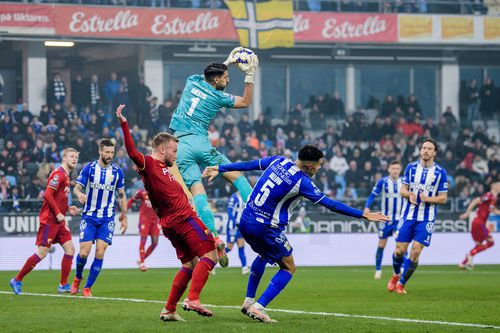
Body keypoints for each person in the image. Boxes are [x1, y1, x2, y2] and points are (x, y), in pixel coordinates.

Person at [203, 145, 388, 323]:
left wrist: (220, 168)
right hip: (266, 227)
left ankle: (249, 300)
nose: (319, 167)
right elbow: (330, 204)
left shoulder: (278, 161)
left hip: (245, 220)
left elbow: (249, 165)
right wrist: (364, 215)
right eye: (319, 164)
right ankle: (259, 306)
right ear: (309, 165)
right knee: (289, 266)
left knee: (264, 255)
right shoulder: (302, 181)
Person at [117, 104, 218, 321]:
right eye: (174, 150)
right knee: (211, 254)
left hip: (170, 223)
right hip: (183, 218)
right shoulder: (150, 165)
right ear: (162, 149)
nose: (176, 154)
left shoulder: (165, 168)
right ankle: (193, 298)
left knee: (189, 265)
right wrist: (124, 124)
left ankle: (169, 309)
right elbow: (132, 152)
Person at [168, 48, 257, 267]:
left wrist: (226, 62)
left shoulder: (191, 82)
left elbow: (205, 75)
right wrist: (250, 74)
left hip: (180, 145)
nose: (228, 80)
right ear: (216, 79)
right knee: (237, 177)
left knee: (198, 193)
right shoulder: (218, 97)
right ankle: (259, 211)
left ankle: (215, 238)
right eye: (226, 77)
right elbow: (246, 101)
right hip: (200, 142)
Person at [9, 148, 81, 294]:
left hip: (59, 221)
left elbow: (57, 198)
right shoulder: (58, 174)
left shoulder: (66, 177)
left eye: (76, 157)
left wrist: (67, 208)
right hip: (49, 220)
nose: (75, 159)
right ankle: (17, 280)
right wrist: (58, 213)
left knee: (70, 249)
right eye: (72, 157)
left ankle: (63, 285)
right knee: (42, 253)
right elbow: (48, 194)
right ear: (64, 159)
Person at [387, 139, 448, 295]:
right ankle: (395, 275)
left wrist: (426, 198)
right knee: (399, 251)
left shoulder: (440, 172)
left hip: (426, 218)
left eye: (430, 148)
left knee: (415, 252)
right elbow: (403, 190)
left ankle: (401, 283)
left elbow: (443, 198)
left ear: (434, 153)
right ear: (420, 151)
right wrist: (410, 195)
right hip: (408, 216)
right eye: (424, 148)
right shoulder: (411, 168)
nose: (426, 151)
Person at [70, 139, 128, 297]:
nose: (110, 155)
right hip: (89, 216)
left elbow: (122, 195)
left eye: (112, 152)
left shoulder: (117, 172)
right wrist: (79, 194)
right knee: (83, 253)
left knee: (100, 252)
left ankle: (87, 287)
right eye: (107, 152)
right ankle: (77, 277)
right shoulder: (89, 168)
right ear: (100, 152)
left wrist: (125, 216)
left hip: (107, 218)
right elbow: (76, 187)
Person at [364, 160, 403, 280]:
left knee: (401, 246)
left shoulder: (405, 182)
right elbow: (372, 195)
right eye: (393, 168)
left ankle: (400, 269)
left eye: (397, 168)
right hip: (385, 219)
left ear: (400, 170)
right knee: (381, 244)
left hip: (400, 219)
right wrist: (367, 207)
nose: (395, 170)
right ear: (389, 169)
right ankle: (378, 270)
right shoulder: (383, 181)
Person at [459, 181, 499, 269]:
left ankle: (463, 263)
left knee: (479, 244)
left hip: (479, 223)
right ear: (495, 187)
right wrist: (467, 213)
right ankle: (470, 254)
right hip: (479, 223)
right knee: (490, 242)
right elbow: (476, 200)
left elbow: (492, 210)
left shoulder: (494, 199)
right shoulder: (489, 195)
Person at [127, 188, 160, 271]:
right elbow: (132, 200)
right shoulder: (142, 192)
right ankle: (142, 263)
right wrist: (124, 211)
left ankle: (141, 259)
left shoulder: (159, 192)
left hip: (155, 221)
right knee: (143, 240)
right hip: (144, 220)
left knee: (155, 242)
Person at [225, 192, 249, 275]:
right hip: (233, 227)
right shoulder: (234, 197)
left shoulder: (245, 196)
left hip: (241, 227)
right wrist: (235, 222)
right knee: (229, 248)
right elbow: (229, 210)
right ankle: (212, 262)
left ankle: (244, 267)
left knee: (241, 246)